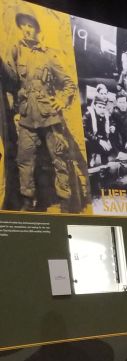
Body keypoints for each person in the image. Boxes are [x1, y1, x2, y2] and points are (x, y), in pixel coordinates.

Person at [2, 10, 79, 211]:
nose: (27, 30)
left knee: (60, 159)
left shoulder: (48, 55)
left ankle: (65, 202)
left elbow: (69, 83)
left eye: (30, 26)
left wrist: (61, 100)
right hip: (27, 117)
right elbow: (10, 81)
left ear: (36, 30)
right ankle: (28, 202)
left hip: (50, 117)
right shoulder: (16, 51)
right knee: (24, 161)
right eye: (24, 26)